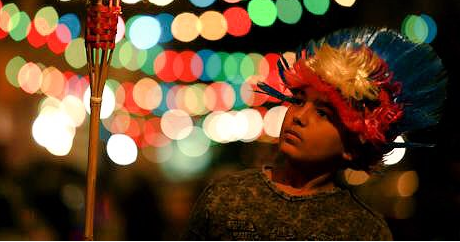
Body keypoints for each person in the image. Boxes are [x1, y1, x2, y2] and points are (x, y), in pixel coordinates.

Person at [182, 26, 447, 240]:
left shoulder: (362, 231)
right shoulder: (226, 198)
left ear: (352, 146)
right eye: (298, 100)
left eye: (323, 113)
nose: (299, 117)